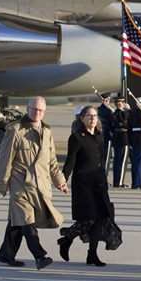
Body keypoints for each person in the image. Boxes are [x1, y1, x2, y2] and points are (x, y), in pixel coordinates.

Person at [0, 96, 69, 269]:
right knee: (27, 220)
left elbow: (51, 160)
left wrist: (60, 181)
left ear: (45, 112)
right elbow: (5, 159)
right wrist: (2, 184)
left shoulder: (47, 132)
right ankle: (39, 256)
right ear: (27, 109)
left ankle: (6, 254)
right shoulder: (15, 130)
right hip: (20, 183)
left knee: (18, 220)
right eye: (34, 109)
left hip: (39, 185)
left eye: (41, 110)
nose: (37, 113)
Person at [59, 106, 121, 266]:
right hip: (84, 185)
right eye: (89, 116)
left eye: (95, 116)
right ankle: (67, 238)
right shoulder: (77, 138)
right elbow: (70, 160)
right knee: (89, 219)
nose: (93, 118)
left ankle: (92, 254)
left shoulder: (100, 136)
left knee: (100, 219)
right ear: (81, 118)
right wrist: (63, 179)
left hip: (99, 183)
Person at [128, 96, 141, 189]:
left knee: (135, 162)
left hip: (134, 138)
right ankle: (138, 183)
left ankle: (134, 182)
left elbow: (128, 128)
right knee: (140, 162)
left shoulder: (132, 114)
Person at [110, 97, 129, 188]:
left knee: (116, 161)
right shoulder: (124, 114)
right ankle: (120, 182)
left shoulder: (113, 114)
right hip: (123, 138)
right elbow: (128, 125)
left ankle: (115, 181)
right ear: (122, 103)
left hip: (116, 137)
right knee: (122, 161)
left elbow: (110, 127)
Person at [97, 92, 114, 169]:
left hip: (99, 133)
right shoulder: (108, 110)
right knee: (106, 154)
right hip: (106, 134)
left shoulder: (98, 109)